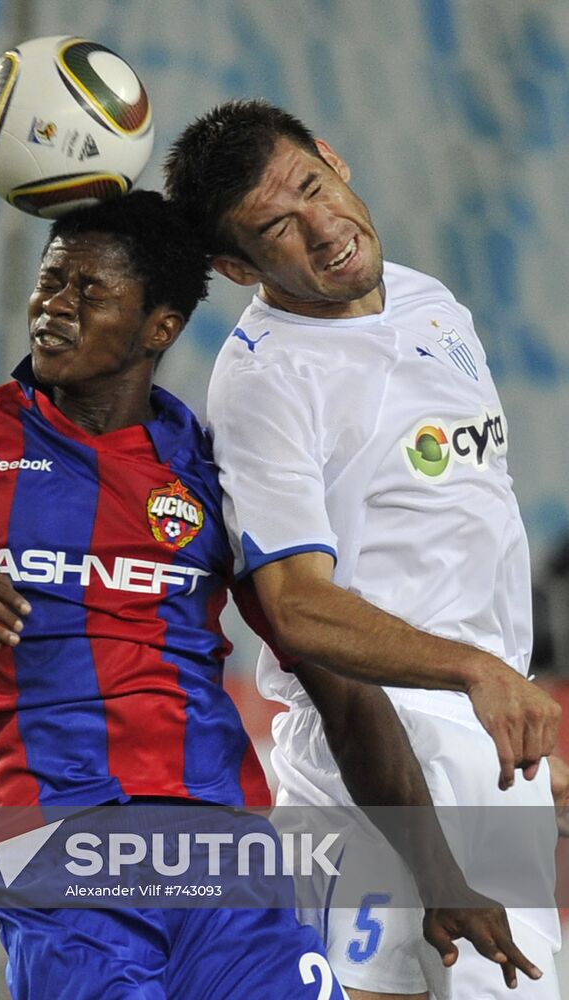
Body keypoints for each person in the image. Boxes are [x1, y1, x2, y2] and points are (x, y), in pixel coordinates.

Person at [0, 191, 537, 1000]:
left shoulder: (207, 469)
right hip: (59, 846)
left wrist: (438, 874)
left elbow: (340, 691)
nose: (54, 307)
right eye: (49, 282)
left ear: (158, 327)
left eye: (89, 291)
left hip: (223, 849)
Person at [164, 100, 562, 1000]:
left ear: (333, 158)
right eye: (276, 227)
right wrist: (476, 676)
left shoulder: (429, 301)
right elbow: (296, 607)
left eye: (313, 186)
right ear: (236, 268)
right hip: (373, 757)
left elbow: (455, 535)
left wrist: (505, 739)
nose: (322, 228)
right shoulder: (266, 382)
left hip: (476, 740)